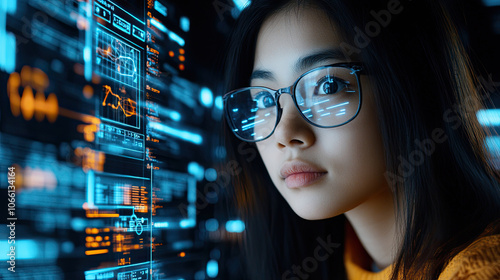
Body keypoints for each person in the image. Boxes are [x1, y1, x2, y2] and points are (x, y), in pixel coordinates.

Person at [220, 0, 500, 279]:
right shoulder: (338, 257)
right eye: (263, 100)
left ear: (413, 83)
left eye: (328, 85)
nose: (285, 134)